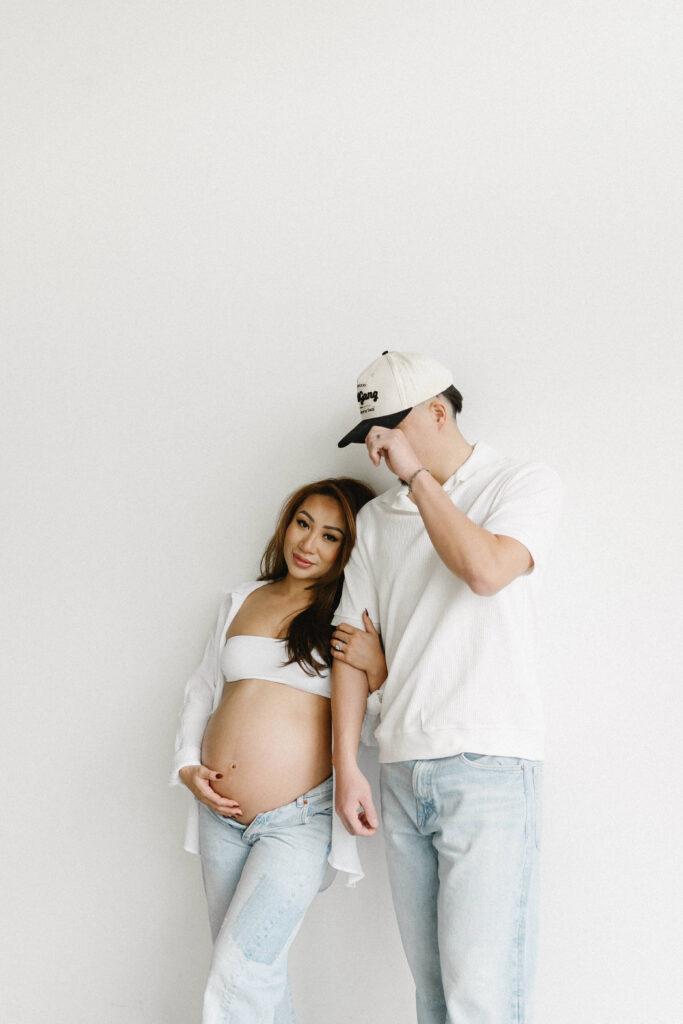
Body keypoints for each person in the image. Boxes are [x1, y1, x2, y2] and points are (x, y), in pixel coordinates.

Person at [331, 351, 563, 1024]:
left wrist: (418, 481)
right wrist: (348, 765)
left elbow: (486, 571)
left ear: (437, 412)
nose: (377, 454)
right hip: (401, 770)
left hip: (488, 764)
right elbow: (350, 647)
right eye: (369, 438)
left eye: (388, 433)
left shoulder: (521, 482)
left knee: (480, 1001)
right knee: (433, 1001)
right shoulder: (376, 523)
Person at [170, 477, 387, 1024]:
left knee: (238, 975)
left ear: (349, 549)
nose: (308, 544)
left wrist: (379, 668)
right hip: (220, 813)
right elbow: (202, 689)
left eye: (331, 536)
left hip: (298, 821)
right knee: (251, 980)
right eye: (303, 523)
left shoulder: (351, 617)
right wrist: (187, 766)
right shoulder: (242, 598)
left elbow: (377, 720)